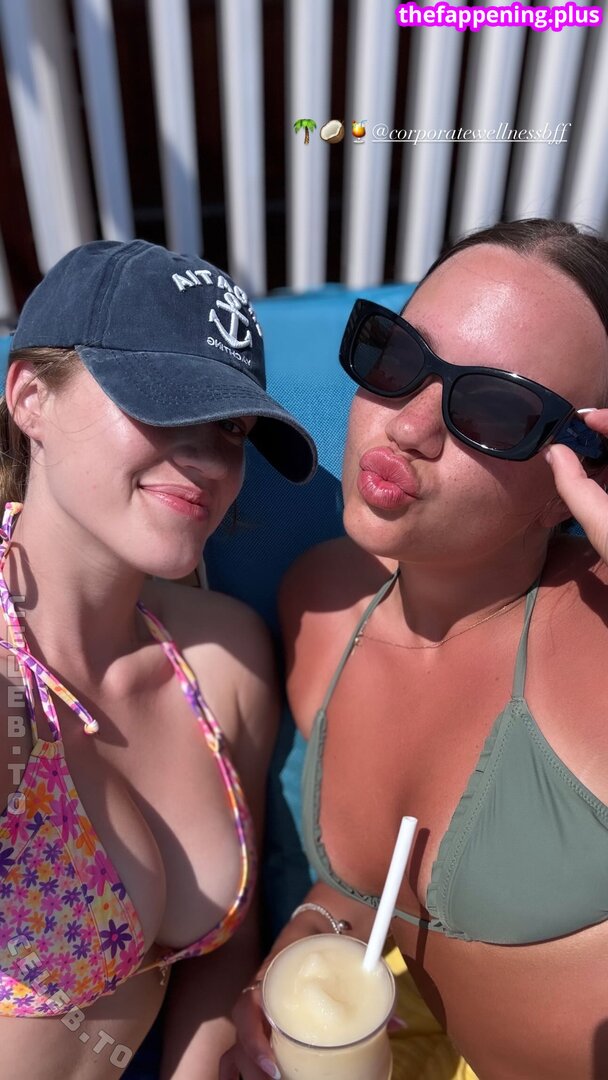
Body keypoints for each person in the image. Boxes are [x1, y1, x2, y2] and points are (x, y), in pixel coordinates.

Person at [222, 218, 608, 1080]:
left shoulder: (597, 629)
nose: (408, 426)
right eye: (398, 358)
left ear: (574, 480)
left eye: (495, 409)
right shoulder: (323, 602)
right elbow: (374, 884)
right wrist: (309, 943)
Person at [0, 239, 317, 1080]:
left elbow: (224, 948)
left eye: (232, 427)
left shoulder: (225, 658)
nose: (209, 459)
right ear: (30, 397)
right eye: (162, 403)